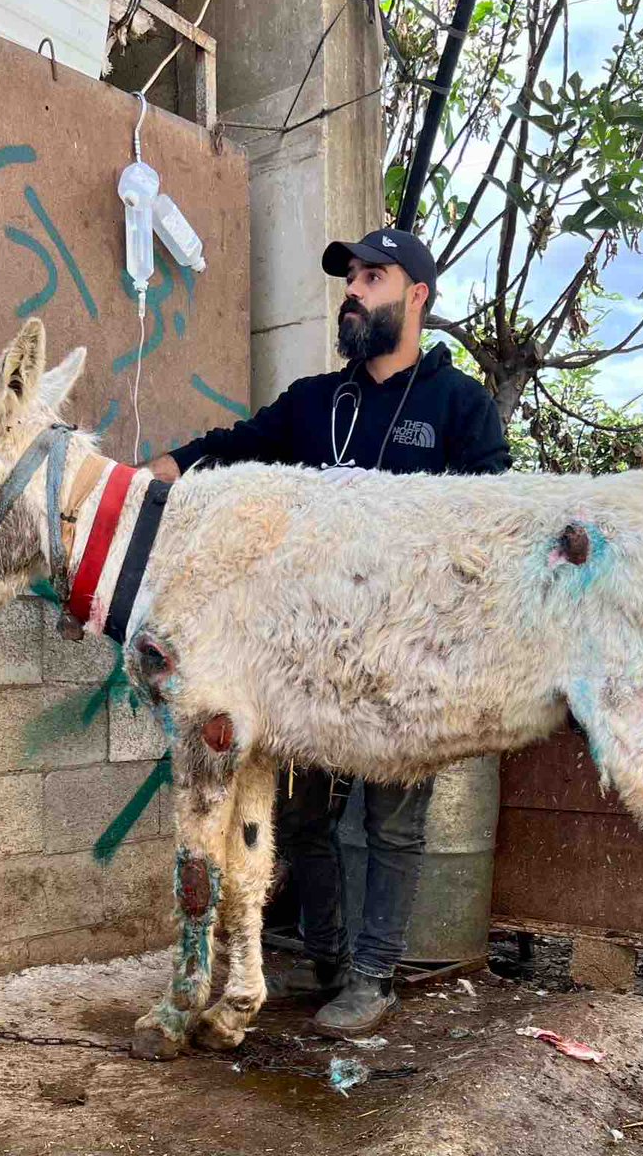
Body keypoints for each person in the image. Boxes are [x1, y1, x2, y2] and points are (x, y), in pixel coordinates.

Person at [147, 227, 510, 1037]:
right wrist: (161, 472)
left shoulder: (459, 406)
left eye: (371, 277)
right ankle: (332, 959)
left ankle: (375, 977)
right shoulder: (316, 403)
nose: (352, 290)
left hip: (408, 656)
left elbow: (493, 526)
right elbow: (233, 449)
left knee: (390, 820)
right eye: (349, 276)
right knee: (304, 816)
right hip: (307, 660)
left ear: (416, 296)